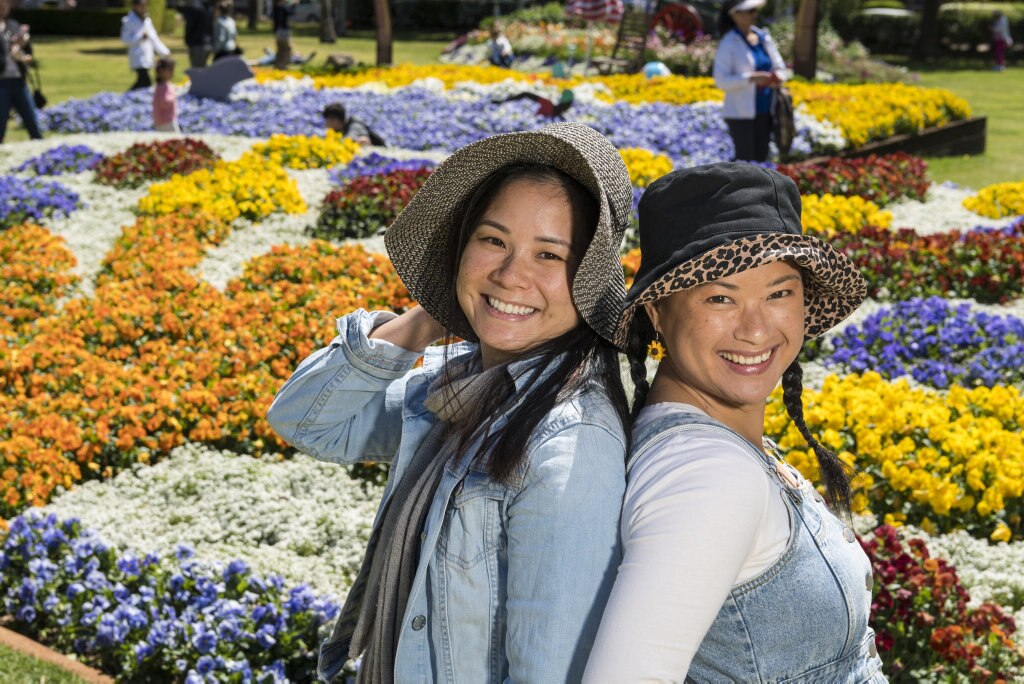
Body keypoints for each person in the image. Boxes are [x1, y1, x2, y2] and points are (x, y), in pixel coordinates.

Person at [266, 122, 635, 682]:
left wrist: (476, 293)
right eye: (492, 241)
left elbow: (549, 672)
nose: (512, 275)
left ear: (589, 280)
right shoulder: (459, 385)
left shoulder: (569, 446)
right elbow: (306, 419)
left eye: (549, 255)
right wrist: (434, 309)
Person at [584, 163, 886, 682]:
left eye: (779, 293)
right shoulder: (707, 477)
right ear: (657, 311)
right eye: (720, 297)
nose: (755, 329)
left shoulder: (716, 440)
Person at [712, 0, 787, 163]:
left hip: (766, 110)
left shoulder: (763, 37)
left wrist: (776, 78)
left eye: (754, 10)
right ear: (735, 15)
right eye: (749, 10)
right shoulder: (729, 42)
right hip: (740, 113)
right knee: (744, 163)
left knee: (762, 159)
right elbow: (721, 80)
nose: (754, 14)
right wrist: (751, 78)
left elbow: (780, 67)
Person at [0, 0, 42, 143]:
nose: (3, 10)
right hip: (1, 82)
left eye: (5, 7)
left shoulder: (13, 25)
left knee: (31, 119)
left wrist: (23, 44)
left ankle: (39, 149)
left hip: (18, 80)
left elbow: (28, 50)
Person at [121, 0, 170, 91]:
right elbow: (125, 39)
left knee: (142, 82)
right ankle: (126, 98)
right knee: (145, 81)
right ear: (135, 6)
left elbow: (154, 38)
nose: (144, 8)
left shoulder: (147, 20)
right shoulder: (128, 21)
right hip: (137, 55)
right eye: (141, 6)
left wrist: (164, 52)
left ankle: (126, 98)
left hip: (147, 54)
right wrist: (140, 37)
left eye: (145, 6)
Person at [175, 0, 212, 69]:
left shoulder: (194, 7)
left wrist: (188, 40)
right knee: (202, 69)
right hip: (207, 42)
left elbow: (190, 25)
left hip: (197, 44)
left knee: (197, 71)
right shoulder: (207, 6)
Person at [152, 56, 179, 132]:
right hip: (167, 120)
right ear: (162, 71)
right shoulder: (166, 86)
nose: (172, 73)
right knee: (176, 141)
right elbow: (164, 102)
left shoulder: (158, 86)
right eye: (170, 71)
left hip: (158, 120)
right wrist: (174, 95)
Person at [272, 0, 293, 70]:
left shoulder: (277, 7)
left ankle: (278, 64)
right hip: (284, 30)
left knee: (280, 48)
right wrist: (294, 5)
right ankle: (284, 64)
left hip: (278, 30)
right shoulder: (282, 7)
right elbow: (291, 12)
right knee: (286, 48)